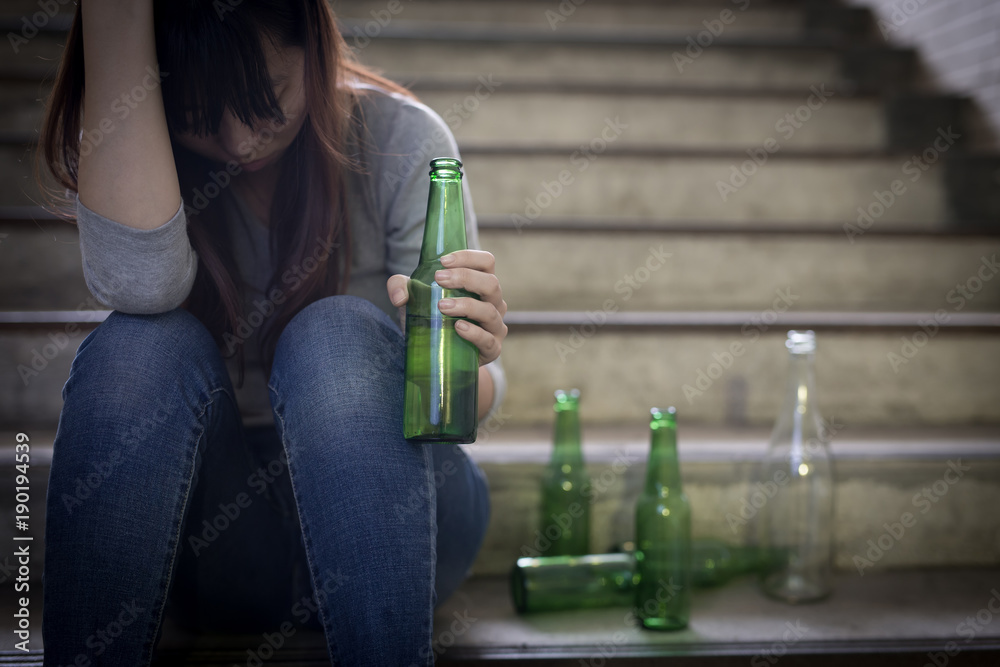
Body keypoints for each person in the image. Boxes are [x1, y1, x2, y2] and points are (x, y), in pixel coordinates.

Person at [37, 1, 508, 665]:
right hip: (226, 541)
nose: (238, 143)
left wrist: (462, 363)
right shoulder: (150, 156)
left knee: (336, 330)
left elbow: (474, 397)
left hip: (397, 506)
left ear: (314, 45)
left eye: (267, 101)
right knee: (137, 344)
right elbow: (138, 286)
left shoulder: (402, 140)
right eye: (199, 116)